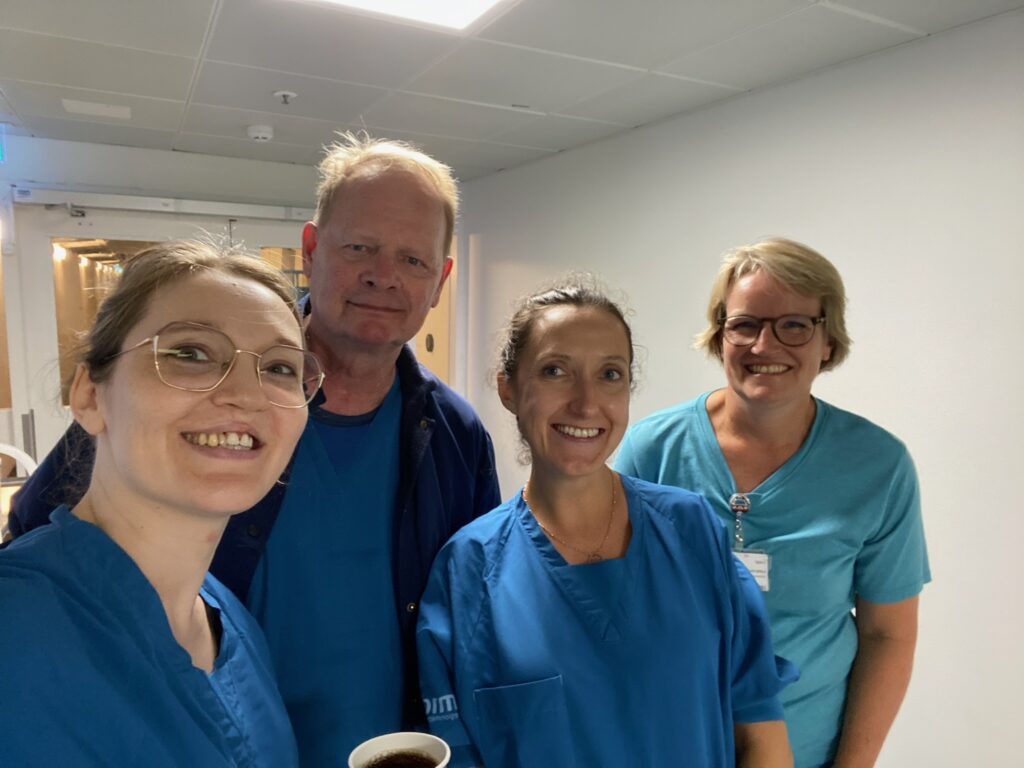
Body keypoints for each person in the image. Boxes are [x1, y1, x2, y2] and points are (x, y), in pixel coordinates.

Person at [7, 134, 501, 766]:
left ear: (440, 282)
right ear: (312, 250)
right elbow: (45, 550)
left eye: (413, 259)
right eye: (360, 247)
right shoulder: (156, 412)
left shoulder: (456, 436)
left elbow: (468, 609)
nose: (383, 274)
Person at [417, 279, 796, 768]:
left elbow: (760, 729)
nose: (585, 403)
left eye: (610, 374)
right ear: (508, 388)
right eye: (555, 371)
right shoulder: (468, 571)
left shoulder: (690, 530)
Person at [0, 240, 320, 765]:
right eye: (190, 353)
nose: (247, 394)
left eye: (281, 368)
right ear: (89, 396)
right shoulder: (15, 632)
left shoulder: (230, 623)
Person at [614, 238, 930, 768]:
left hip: (808, 751)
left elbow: (886, 633)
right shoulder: (652, 450)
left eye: (794, 325)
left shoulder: (878, 466)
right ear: (720, 335)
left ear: (828, 341)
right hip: (667, 745)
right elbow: (615, 608)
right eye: (745, 325)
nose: (765, 345)